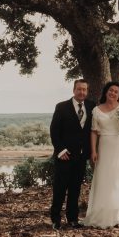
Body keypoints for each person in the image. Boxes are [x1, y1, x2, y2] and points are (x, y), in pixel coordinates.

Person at [82, 80, 119, 228]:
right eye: (111, 90)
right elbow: (94, 131)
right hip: (105, 146)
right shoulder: (96, 110)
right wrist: (93, 150)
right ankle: (103, 211)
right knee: (105, 177)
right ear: (106, 92)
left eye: (116, 92)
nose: (113, 93)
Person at [48, 78, 95, 229]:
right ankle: (55, 219)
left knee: (75, 188)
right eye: (79, 89)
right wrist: (60, 150)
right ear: (74, 90)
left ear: (87, 91)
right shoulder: (61, 107)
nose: (82, 92)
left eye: (84, 90)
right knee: (60, 188)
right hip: (65, 155)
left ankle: (72, 219)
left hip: (81, 157)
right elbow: (54, 131)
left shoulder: (91, 106)